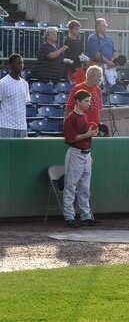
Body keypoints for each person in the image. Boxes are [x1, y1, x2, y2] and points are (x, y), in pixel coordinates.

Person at [63, 90, 101, 228]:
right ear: (77, 101)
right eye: (86, 101)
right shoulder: (71, 117)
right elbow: (70, 139)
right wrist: (88, 135)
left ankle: (86, 216)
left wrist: (89, 136)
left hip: (86, 154)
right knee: (71, 187)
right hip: (75, 153)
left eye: (89, 101)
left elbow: (85, 135)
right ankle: (69, 217)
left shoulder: (83, 116)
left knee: (85, 188)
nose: (88, 103)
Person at [0, 53, 30, 138]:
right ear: (11, 65)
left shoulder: (25, 84)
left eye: (22, 63)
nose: (21, 65)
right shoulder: (3, 83)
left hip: (21, 126)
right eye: (18, 63)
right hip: (5, 126)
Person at [86, 18, 127, 88]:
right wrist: (109, 63)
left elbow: (114, 51)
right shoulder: (93, 38)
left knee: (109, 87)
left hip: (108, 67)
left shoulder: (108, 38)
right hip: (97, 66)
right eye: (103, 25)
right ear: (97, 26)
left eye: (106, 25)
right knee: (96, 87)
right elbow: (97, 54)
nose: (105, 27)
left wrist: (115, 61)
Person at [63, 19, 86, 85]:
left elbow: (80, 54)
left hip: (79, 67)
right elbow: (68, 56)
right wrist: (73, 70)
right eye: (76, 29)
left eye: (78, 29)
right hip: (71, 68)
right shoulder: (67, 41)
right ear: (70, 30)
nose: (77, 31)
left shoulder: (79, 41)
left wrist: (84, 59)